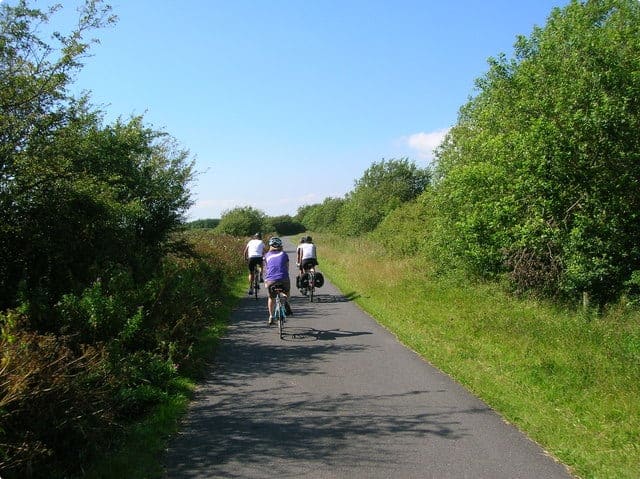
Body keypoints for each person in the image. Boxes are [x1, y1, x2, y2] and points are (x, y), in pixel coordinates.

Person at [263, 236, 292, 324]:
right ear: (280, 246)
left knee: (271, 297)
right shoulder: (284, 254)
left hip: (271, 280)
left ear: (270, 246)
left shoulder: (266, 255)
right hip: (283, 278)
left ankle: (271, 316)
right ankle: (286, 301)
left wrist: (265, 281)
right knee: (287, 291)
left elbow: (266, 270)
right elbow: (287, 268)